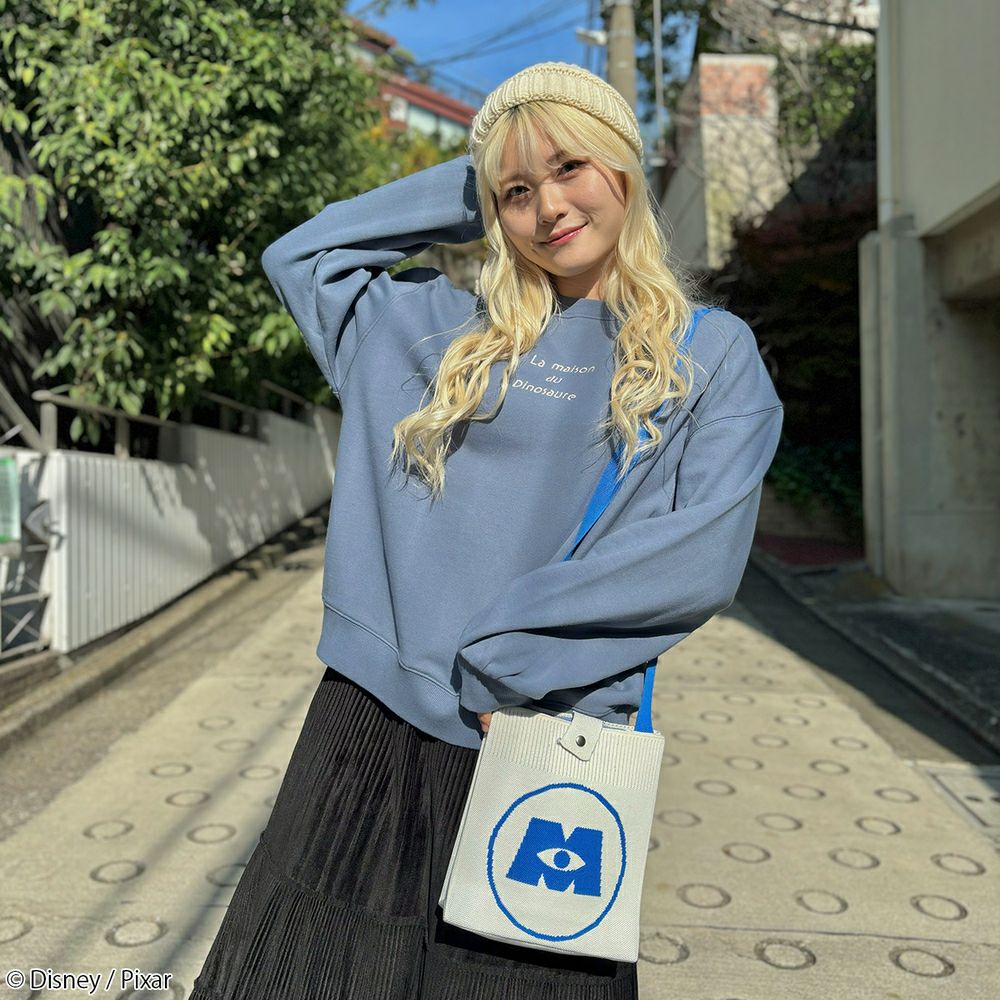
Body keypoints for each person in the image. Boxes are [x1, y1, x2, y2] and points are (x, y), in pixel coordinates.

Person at [190, 61, 783, 999]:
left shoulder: (706, 355)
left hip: (544, 737)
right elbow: (302, 258)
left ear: (623, 165)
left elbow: (695, 558)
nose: (549, 208)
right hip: (368, 727)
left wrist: (511, 659)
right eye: (517, 192)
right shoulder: (433, 328)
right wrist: (478, 174)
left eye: (570, 167)